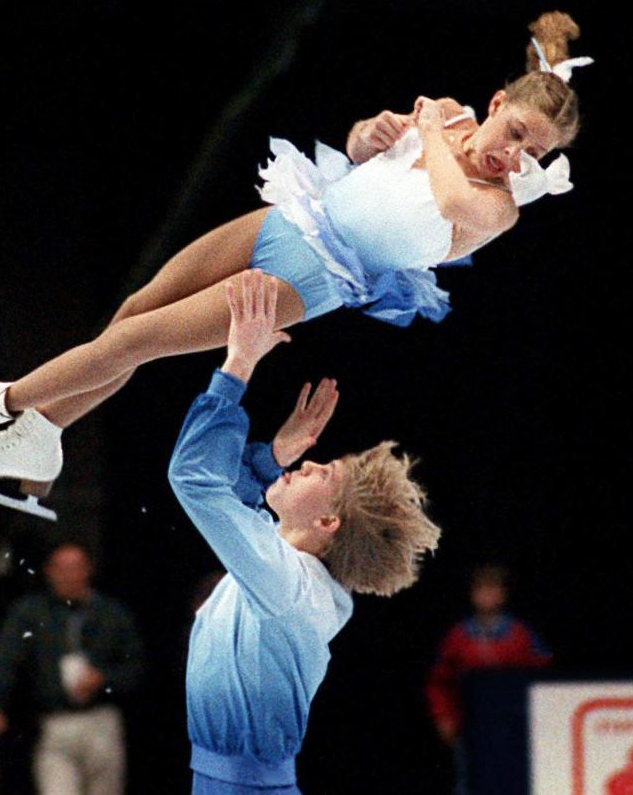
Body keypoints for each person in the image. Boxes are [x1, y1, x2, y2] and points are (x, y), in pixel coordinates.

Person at [0, 12, 591, 499]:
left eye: (537, 155)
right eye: (518, 131)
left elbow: (446, 192)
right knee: (135, 310)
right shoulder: (451, 116)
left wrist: (436, 126)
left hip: (311, 276)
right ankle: (46, 432)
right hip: (294, 215)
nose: (516, 156)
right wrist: (368, 134)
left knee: (136, 341)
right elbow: (357, 157)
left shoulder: (497, 206)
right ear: (499, 102)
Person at [169, 270, 441, 793]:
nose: (310, 463)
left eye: (323, 473)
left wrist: (239, 363)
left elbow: (196, 480)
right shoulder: (293, 576)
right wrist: (274, 457)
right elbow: (238, 499)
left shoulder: (285, 582)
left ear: (326, 523)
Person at [0, 542, 144, 795]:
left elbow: (136, 667)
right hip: (55, 722)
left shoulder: (112, 614)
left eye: (75, 568)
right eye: (61, 568)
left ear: (88, 570)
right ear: (48, 571)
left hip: (101, 721)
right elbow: (6, 661)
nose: (68, 576)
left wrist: (105, 679)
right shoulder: (31, 612)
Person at [425, 564, 552, 794]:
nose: (486, 596)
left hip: (514, 727)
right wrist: (444, 717)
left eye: (492, 589)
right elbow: (440, 682)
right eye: (481, 590)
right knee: (470, 781)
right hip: (471, 727)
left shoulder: (519, 635)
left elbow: (543, 677)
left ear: (503, 594)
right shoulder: (459, 636)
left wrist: (538, 718)